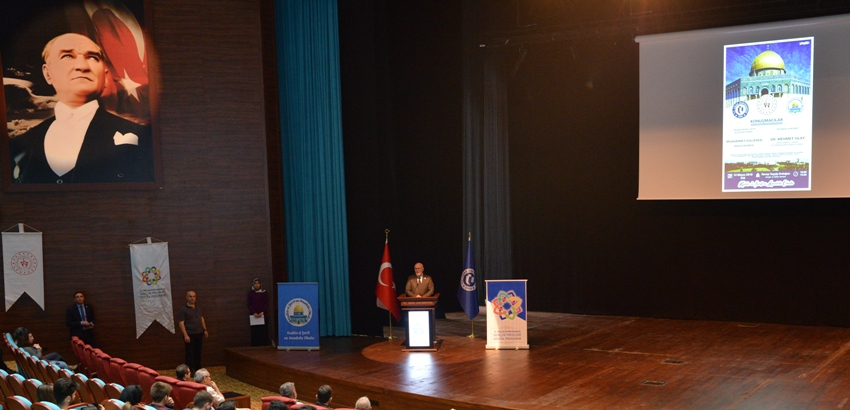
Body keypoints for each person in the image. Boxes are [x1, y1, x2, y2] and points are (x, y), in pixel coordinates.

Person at [9, 33, 154, 184]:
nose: (82, 66)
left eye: (93, 58)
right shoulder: (21, 143)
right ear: (48, 73)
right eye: (67, 56)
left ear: (105, 77)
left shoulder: (143, 138)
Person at [177, 290, 207, 373]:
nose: (192, 298)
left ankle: (198, 368)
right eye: (190, 296)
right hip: (190, 334)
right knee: (190, 354)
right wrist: (185, 335)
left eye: (194, 296)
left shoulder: (198, 308)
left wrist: (204, 329)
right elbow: (181, 323)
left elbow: (201, 318)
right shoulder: (183, 310)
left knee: (198, 352)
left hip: (199, 333)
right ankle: (190, 370)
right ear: (186, 298)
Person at [248, 278, 268, 346]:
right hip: (254, 316)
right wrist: (254, 312)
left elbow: (266, 303)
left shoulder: (264, 293)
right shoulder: (251, 293)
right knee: (255, 332)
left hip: (263, 315)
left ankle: (263, 345)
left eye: (258, 283)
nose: (257, 285)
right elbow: (249, 304)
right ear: (253, 285)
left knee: (263, 332)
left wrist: (262, 312)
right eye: (255, 283)